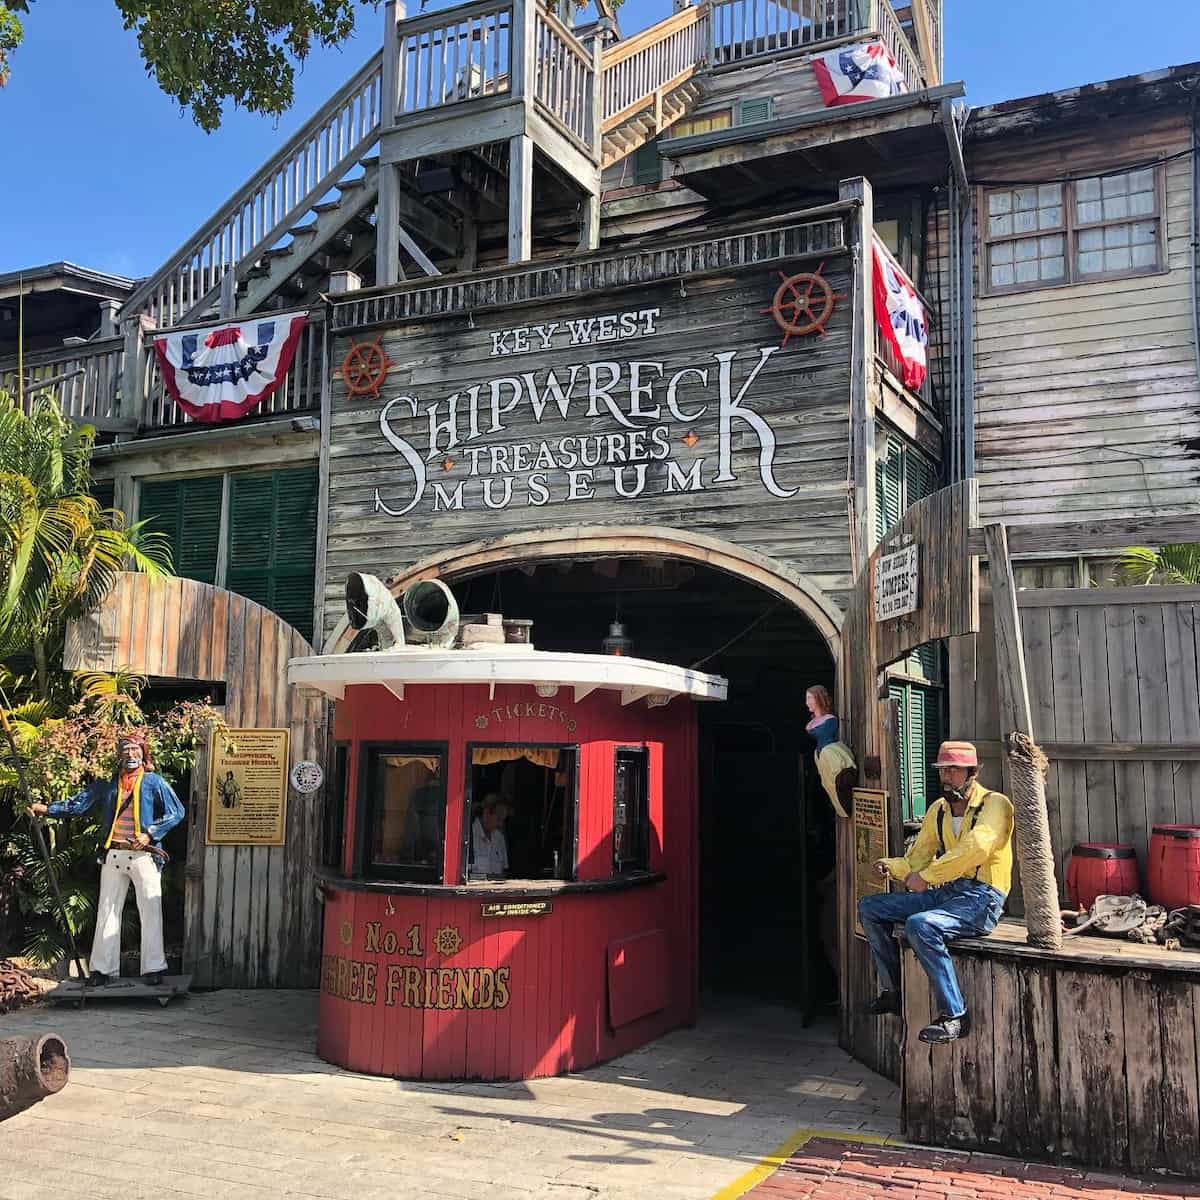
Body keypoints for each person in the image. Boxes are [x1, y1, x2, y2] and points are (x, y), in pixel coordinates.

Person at [857, 741, 1013, 1044]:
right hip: (949, 892)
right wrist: (892, 866)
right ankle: (892, 991)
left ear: (972, 772)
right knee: (870, 907)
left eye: (954, 770)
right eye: (943, 770)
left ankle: (955, 1016)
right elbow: (918, 858)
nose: (947, 777)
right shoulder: (938, 810)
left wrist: (927, 877)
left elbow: (976, 848)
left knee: (922, 924)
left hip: (984, 897)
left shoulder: (995, 805)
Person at [28, 732, 184, 987]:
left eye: (134, 750)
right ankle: (102, 969)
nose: (130, 755)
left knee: (150, 911)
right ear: (119, 755)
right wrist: (46, 809)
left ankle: (153, 968)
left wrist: (151, 833)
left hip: (145, 856)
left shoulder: (154, 782)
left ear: (143, 753)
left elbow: (177, 811)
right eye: (125, 751)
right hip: (113, 855)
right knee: (107, 912)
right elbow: (79, 803)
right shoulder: (109, 784)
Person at [804, 685, 856, 819]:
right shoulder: (811, 723)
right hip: (822, 754)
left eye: (810, 698)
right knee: (827, 783)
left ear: (818, 698)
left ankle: (844, 807)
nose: (807, 702)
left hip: (830, 753)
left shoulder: (830, 720)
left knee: (839, 782)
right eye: (806, 698)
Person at [470, 795, 509, 879]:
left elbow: (504, 871)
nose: (500, 824)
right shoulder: (469, 835)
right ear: (486, 813)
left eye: (503, 820)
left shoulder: (499, 838)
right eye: (498, 819)